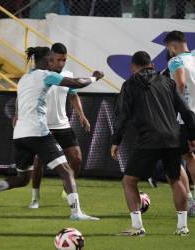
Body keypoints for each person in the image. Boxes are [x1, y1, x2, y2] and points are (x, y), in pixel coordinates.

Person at [0, 46, 103, 220]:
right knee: (66, 171)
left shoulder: (25, 78)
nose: (52, 63)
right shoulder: (46, 75)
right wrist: (94, 77)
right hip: (38, 132)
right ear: (43, 61)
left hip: (20, 134)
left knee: (23, 178)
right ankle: (76, 212)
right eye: (50, 60)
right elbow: (77, 83)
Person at [111, 51, 195, 236]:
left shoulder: (130, 84)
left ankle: (137, 227)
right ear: (152, 65)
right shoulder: (168, 82)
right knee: (176, 180)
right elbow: (186, 111)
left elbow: (122, 116)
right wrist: (192, 136)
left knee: (129, 181)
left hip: (149, 139)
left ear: (132, 67)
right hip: (173, 137)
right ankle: (182, 227)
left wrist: (116, 141)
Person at [28, 43, 93, 209]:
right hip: (43, 126)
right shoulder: (37, 75)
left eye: (64, 60)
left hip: (63, 125)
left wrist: (81, 115)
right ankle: (35, 198)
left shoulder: (68, 75)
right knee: (38, 163)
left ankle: (67, 188)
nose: (61, 63)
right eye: (58, 60)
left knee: (77, 159)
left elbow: (73, 96)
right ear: (50, 58)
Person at [165, 30, 195, 207]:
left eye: (169, 49)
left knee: (179, 156)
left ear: (172, 47)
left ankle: (189, 201)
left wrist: (177, 104)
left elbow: (181, 83)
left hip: (184, 116)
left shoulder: (175, 61)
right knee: (188, 155)